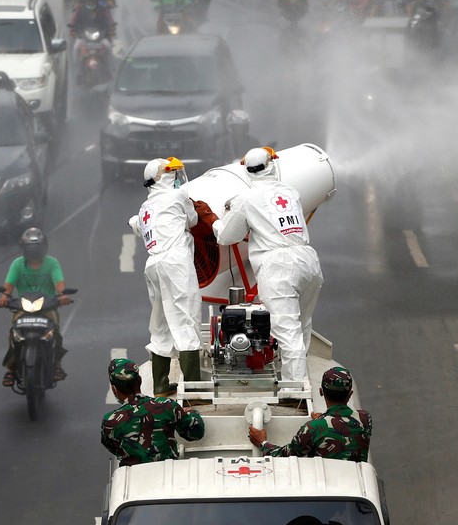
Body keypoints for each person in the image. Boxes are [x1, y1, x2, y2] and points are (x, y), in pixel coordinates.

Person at [212, 147, 323, 383]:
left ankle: (294, 391)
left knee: (288, 332)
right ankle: (297, 376)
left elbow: (226, 237)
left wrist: (215, 222)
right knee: (302, 326)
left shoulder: (246, 199)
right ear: (272, 165)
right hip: (308, 260)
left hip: (279, 266)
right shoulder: (291, 193)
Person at [130, 158, 204, 394]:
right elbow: (192, 220)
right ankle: (193, 387)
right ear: (164, 177)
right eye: (171, 172)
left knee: (160, 323)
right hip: (176, 261)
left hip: (153, 264)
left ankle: (161, 384)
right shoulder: (177, 196)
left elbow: (139, 226)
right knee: (186, 317)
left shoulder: (145, 208)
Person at [0, 228, 72, 384]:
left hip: (47, 308)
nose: (34, 252)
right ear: (24, 249)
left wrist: (63, 295)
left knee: (55, 332)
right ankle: (11, 368)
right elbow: (8, 287)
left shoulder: (52, 263)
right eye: (31, 249)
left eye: (37, 248)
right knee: (14, 334)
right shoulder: (17, 265)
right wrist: (3, 298)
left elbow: (59, 283)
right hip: (23, 308)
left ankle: (57, 365)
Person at [248, 366, 371, 461]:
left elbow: (284, 456)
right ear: (350, 394)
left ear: (321, 392)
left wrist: (262, 442)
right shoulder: (365, 419)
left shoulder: (312, 428)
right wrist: (322, 420)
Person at [101, 358, 205, 466]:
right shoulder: (166, 405)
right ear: (140, 381)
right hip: (168, 474)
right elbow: (196, 433)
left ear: (114, 389)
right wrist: (192, 412)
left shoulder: (110, 422)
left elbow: (113, 447)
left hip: (133, 479)